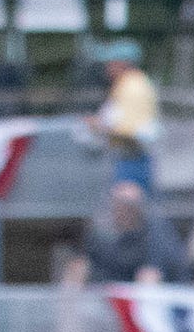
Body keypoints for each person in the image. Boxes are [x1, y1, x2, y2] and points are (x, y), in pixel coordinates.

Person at [69, 178, 187, 284]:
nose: (120, 212)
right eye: (116, 205)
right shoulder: (101, 232)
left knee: (148, 276)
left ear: (136, 209)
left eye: (126, 207)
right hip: (108, 289)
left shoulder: (156, 232)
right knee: (78, 268)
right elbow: (83, 262)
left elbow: (153, 273)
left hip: (159, 291)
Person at [84, 40, 158, 190]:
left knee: (129, 208)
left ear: (122, 64)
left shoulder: (133, 88)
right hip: (127, 159)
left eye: (110, 63)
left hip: (132, 161)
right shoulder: (129, 84)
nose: (106, 68)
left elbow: (130, 131)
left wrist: (98, 125)